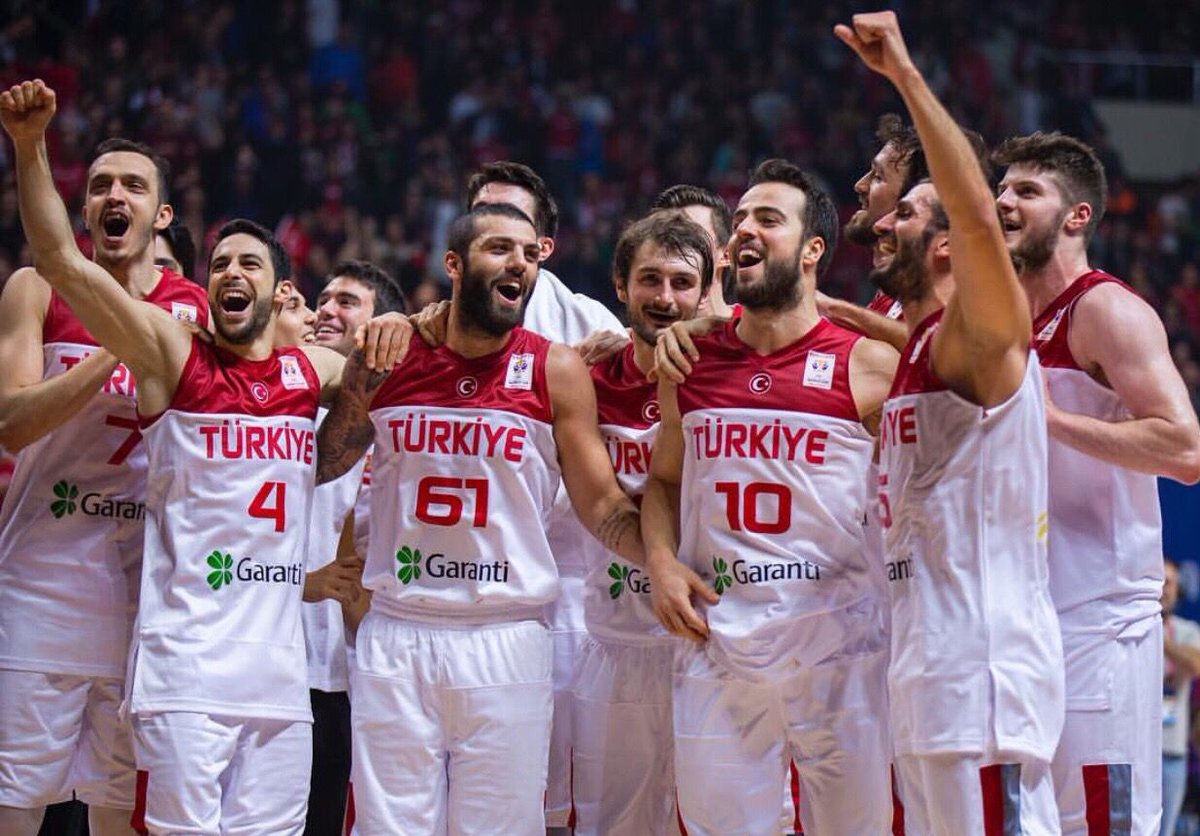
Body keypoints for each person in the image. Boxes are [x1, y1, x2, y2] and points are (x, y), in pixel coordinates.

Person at [0, 79, 410, 835]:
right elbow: (57, 259)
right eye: (220, 263)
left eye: (250, 265)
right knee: (24, 800)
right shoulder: (168, 343)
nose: (231, 274)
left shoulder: (294, 366)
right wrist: (30, 147)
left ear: (283, 296)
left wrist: (411, 327)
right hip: (118, 623)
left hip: (242, 656)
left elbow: (363, 409)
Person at [315, 202, 647, 835]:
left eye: (529, 252)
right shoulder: (392, 357)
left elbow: (602, 504)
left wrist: (667, 558)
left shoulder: (555, 368)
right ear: (454, 264)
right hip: (399, 628)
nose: (518, 262)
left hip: (508, 633)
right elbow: (328, 462)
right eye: (499, 248)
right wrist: (360, 377)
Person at [838, 11, 1066, 833]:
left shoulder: (979, 337)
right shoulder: (916, 348)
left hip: (985, 688)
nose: (880, 222)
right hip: (927, 683)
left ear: (947, 248)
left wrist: (904, 74)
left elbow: (973, 215)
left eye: (905, 214)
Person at [643, 156, 899, 835]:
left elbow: (962, 379)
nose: (744, 231)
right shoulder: (689, 361)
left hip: (840, 651)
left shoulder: (867, 364)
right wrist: (661, 562)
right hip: (718, 644)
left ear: (812, 249)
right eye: (739, 220)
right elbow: (663, 482)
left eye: (768, 219)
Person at [0, 128, 207, 835]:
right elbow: (10, 423)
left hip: (147, 604)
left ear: (162, 215)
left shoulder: (202, 310)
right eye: (99, 187)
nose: (114, 195)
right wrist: (124, 344)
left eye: (133, 186)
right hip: (40, 589)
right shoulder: (37, 287)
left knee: (120, 813)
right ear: (84, 212)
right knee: (14, 805)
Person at [995, 128, 1200, 832]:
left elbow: (1184, 448)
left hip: (1098, 618)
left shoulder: (1104, 309)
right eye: (1001, 190)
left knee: (1105, 823)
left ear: (1077, 215)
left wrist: (1049, 419)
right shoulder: (1003, 319)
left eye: (1027, 191)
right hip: (1018, 615)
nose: (1004, 202)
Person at [465, 161, 625, 831]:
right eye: (484, 219)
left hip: (570, 584)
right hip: (471, 584)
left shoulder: (591, 322)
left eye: (516, 225)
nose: (499, 235)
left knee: (569, 791)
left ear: (544, 247)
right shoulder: (435, 326)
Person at [569, 211, 711, 835]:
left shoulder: (729, 374)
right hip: (617, 638)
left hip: (714, 640)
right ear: (620, 286)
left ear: (707, 292)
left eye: (682, 282)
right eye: (650, 279)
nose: (666, 298)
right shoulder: (584, 380)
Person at [300, 259, 407, 836]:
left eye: (346, 302)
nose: (326, 310)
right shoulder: (281, 399)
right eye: (323, 298)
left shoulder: (396, 420)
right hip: (272, 656)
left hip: (347, 671)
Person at [650, 184, 734, 318]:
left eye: (690, 237)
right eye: (664, 237)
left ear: (726, 254)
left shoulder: (759, 328)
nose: (676, 246)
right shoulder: (634, 330)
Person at [1162, 558, 1200, 836]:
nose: (1164, 589)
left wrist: (1161, 640)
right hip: (1136, 750)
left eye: (1171, 583)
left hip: (1173, 754)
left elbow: (1196, 664)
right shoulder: (1130, 630)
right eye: (1160, 581)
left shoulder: (1188, 630)